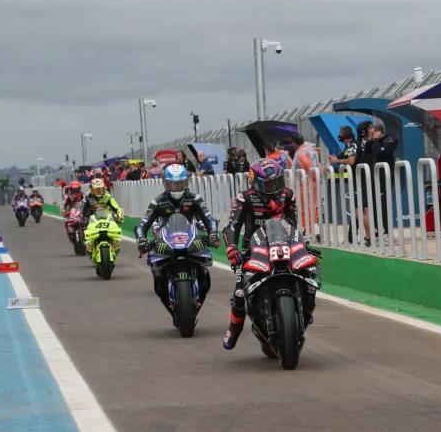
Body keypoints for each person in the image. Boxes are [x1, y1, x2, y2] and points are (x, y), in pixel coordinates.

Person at [221, 159, 298, 350]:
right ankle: (234, 329)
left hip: (283, 246)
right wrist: (232, 247)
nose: (274, 189)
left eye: (277, 183)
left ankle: (303, 307)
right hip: (254, 250)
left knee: (305, 272)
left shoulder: (288, 195)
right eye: (267, 185)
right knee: (240, 294)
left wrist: (300, 243)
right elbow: (232, 226)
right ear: (254, 183)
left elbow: (294, 226)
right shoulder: (245, 198)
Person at [135, 164, 220, 314]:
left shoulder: (195, 199)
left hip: (191, 238)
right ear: (165, 184)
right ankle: (168, 300)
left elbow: (209, 219)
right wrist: (142, 240)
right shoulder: (157, 202)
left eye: (179, 184)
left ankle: (199, 296)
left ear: (186, 183)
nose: (176, 189)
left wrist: (213, 234)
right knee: (156, 268)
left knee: (204, 266)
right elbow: (142, 225)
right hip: (165, 241)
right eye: (172, 185)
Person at [325, 126, 361, 245]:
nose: (339, 135)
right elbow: (338, 157)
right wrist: (329, 162)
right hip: (356, 180)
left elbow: (351, 161)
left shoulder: (352, 144)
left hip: (361, 181)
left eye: (340, 133)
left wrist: (337, 161)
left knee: (359, 211)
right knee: (356, 210)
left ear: (345, 135)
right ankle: (351, 238)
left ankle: (373, 234)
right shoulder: (347, 147)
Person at [370, 123, 397, 246]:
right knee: (376, 207)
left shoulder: (387, 142)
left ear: (379, 132)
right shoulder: (375, 142)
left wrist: (375, 141)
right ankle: (378, 233)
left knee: (383, 206)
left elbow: (377, 153)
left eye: (373, 134)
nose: (371, 137)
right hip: (376, 178)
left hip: (385, 179)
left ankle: (387, 233)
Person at [291, 133, 321, 239]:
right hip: (312, 183)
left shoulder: (301, 153)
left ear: (294, 143)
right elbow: (318, 166)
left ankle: (309, 231)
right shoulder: (311, 150)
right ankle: (311, 230)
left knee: (306, 208)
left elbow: (307, 165)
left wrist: (313, 178)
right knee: (312, 207)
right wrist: (317, 179)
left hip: (305, 184)